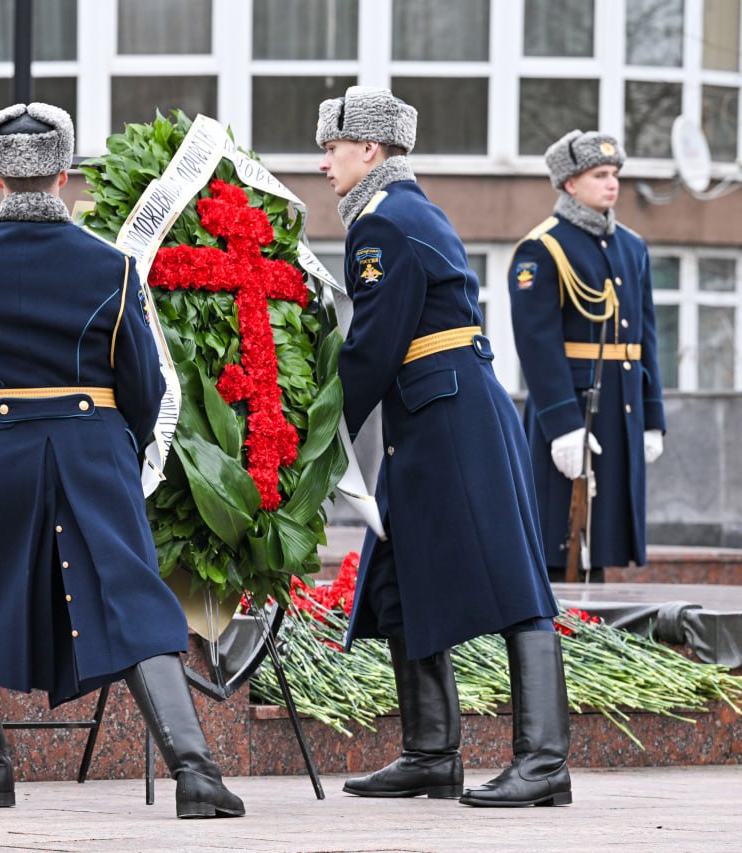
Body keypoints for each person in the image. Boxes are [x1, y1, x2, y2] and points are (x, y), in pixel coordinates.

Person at [0, 102, 244, 820]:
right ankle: (197, 772)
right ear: (65, 173)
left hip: (1, 446)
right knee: (135, 600)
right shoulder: (109, 265)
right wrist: (124, 446)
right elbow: (142, 379)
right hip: (92, 446)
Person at [315, 86, 571, 808]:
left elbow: (372, 346)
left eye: (333, 148)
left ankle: (544, 760)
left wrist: (313, 429)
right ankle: (431, 752)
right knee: (399, 576)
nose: (325, 162)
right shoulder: (401, 210)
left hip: (447, 416)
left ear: (370, 149)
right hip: (434, 412)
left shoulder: (383, 223)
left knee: (513, 578)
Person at [508, 130, 667, 583]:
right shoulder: (542, 247)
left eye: (615, 174)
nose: (612, 183)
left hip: (621, 407)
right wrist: (563, 426)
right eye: (600, 174)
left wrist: (653, 417)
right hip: (574, 409)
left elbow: (645, 338)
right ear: (570, 184)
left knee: (606, 539)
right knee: (561, 536)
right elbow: (536, 344)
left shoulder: (632, 247)